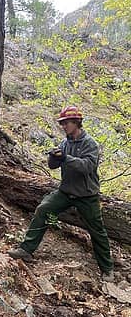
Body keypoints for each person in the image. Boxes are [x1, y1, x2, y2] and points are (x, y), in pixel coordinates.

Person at [8, 105, 114, 282]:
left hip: (87, 196)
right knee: (43, 209)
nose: (63, 126)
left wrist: (65, 158)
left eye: (66, 123)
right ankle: (26, 250)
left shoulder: (90, 143)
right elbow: (52, 166)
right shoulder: (65, 143)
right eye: (62, 123)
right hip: (65, 192)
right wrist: (54, 156)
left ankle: (107, 269)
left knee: (97, 231)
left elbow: (87, 167)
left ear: (76, 123)